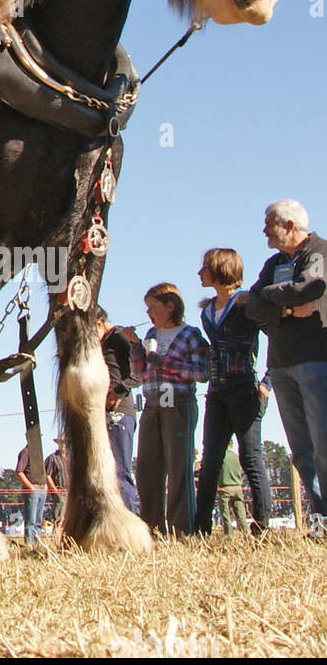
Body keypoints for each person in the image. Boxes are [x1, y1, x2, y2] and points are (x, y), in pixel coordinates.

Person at [244, 200, 327, 524]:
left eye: (269, 223)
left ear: (289, 225)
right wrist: (289, 308)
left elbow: (311, 286)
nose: (264, 230)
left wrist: (270, 295)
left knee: (323, 445)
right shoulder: (273, 262)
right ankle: (320, 518)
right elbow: (251, 306)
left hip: (316, 361)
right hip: (279, 364)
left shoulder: (319, 252)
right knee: (301, 450)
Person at [192, 247, 271, 536]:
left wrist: (267, 382)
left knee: (251, 458)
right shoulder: (207, 311)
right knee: (210, 459)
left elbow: (276, 335)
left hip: (244, 390)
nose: (199, 273)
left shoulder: (248, 303)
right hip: (216, 391)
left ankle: (261, 527)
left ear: (219, 269)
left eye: (204, 267)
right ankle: (200, 529)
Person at [125, 282, 210, 536]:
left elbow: (201, 372)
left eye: (153, 307)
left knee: (178, 468)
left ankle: (181, 529)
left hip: (179, 402)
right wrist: (136, 348)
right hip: (152, 402)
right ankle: (152, 527)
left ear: (170, 307)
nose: (148, 313)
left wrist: (162, 362)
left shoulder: (190, 334)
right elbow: (139, 375)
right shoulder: (151, 334)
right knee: (147, 468)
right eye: (147, 308)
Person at [94, 305, 141, 514]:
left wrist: (118, 391)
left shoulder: (120, 337)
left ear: (98, 324)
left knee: (120, 470)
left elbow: (140, 372)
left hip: (120, 412)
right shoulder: (103, 343)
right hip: (104, 411)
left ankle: (130, 516)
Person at [15, 440, 47, 544]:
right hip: (33, 489)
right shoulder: (25, 452)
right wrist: (30, 487)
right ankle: (30, 544)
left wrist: (44, 485)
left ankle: (38, 544)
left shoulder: (38, 453)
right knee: (31, 520)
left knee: (38, 520)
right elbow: (19, 471)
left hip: (42, 489)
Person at [215, 440, 248, 533]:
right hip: (238, 488)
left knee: (226, 514)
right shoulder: (237, 457)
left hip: (225, 488)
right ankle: (245, 532)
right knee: (241, 514)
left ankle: (228, 534)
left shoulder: (221, 456)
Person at [45, 434, 70, 532]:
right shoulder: (52, 458)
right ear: (58, 444)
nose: (63, 445)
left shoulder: (70, 458)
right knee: (60, 519)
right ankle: (57, 540)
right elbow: (47, 476)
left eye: (65, 442)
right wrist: (55, 490)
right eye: (61, 442)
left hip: (70, 493)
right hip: (60, 492)